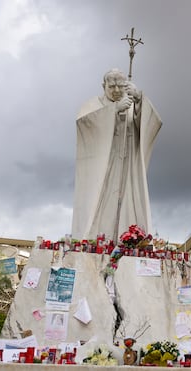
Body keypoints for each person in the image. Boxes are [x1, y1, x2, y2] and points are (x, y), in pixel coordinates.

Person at [71, 68, 162, 241]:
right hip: (105, 165)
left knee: (128, 199)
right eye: (112, 86)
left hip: (127, 164)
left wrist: (139, 101)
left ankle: (128, 239)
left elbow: (152, 124)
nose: (117, 90)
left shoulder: (130, 103)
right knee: (103, 200)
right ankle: (96, 239)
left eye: (120, 86)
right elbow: (84, 124)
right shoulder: (94, 104)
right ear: (103, 85)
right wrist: (113, 110)